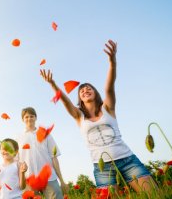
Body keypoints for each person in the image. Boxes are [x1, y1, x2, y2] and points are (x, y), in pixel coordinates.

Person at [40, 40, 157, 193]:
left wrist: (112, 62)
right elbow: (64, 99)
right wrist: (53, 84)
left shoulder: (108, 108)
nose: (85, 90)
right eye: (81, 90)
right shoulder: (78, 116)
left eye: (89, 88)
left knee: (154, 194)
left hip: (127, 160)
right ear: (80, 99)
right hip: (102, 167)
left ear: (95, 93)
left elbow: (109, 86)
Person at [17, 107, 68, 198]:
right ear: (22, 119)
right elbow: (17, 163)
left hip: (49, 177)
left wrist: (62, 180)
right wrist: (20, 181)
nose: (29, 119)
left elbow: (54, 157)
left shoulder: (45, 134)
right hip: (29, 179)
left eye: (32, 116)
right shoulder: (18, 138)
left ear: (36, 118)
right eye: (26, 117)